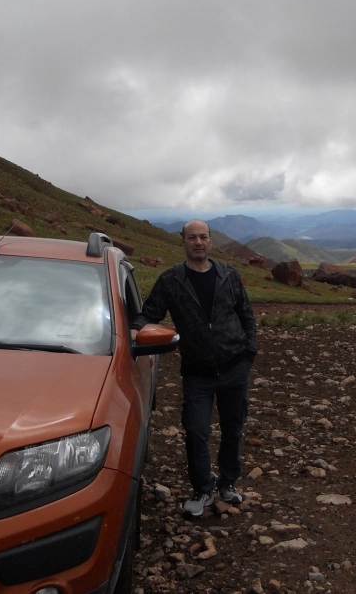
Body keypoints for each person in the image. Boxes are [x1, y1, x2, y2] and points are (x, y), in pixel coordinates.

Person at [132, 219, 257, 517]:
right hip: (197, 373)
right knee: (197, 432)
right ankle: (202, 490)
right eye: (192, 237)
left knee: (233, 429)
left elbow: (246, 315)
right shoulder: (171, 280)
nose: (198, 242)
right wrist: (135, 331)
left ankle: (228, 483)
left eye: (203, 237)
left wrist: (248, 352)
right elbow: (149, 314)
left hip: (234, 367)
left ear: (211, 241)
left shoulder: (229, 275)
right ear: (183, 242)